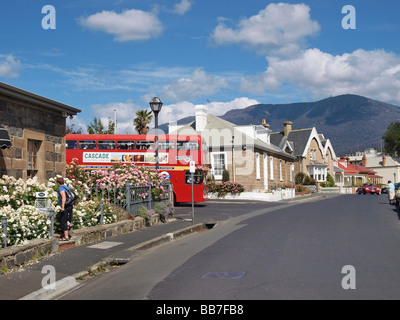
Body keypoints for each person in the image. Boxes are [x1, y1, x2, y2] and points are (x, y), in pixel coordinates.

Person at [57, 177, 73, 241]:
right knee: (59, 216)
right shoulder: (66, 187)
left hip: (66, 206)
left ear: (58, 183)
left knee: (63, 220)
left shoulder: (61, 188)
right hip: (70, 205)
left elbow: (63, 197)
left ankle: (66, 237)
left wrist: (62, 207)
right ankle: (69, 223)